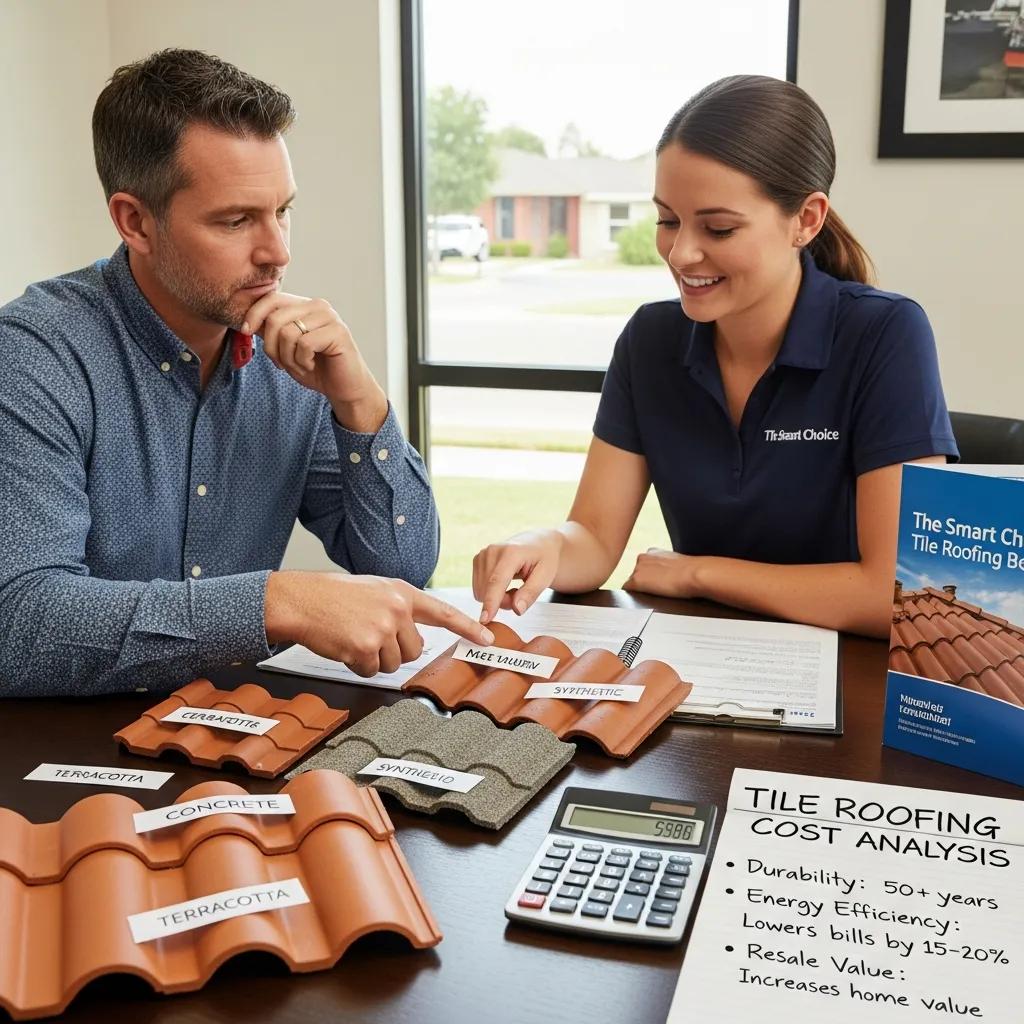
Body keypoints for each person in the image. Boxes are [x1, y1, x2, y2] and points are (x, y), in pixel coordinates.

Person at [0, 48, 493, 697]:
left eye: (282, 210)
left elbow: (401, 569)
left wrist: (360, 402)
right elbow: (19, 623)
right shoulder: (34, 356)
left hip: (240, 730)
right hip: (65, 746)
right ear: (135, 221)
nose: (278, 252)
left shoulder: (293, 357)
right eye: (236, 221)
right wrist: (272, 602)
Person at [473, 75, 958, 639]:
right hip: (701, 663)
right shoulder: (650, 340)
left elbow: (897, 595)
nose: (680, 253)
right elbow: (595, 539)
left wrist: (698, 573)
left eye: (719, 228)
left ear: (806, 219)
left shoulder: (885, 334)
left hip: (846, 672)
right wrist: (542, 544)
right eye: (667, 220)